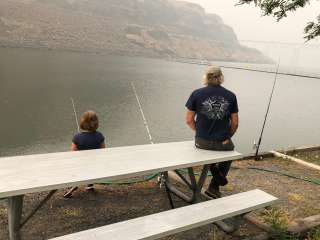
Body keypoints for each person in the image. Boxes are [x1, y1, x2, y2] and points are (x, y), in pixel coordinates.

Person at [185, 65, 239, 199]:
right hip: (222, 143)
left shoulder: (196, 93)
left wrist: (200, 132)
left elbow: (189, 120)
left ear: (206, 78)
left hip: (201, 142)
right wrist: (228, 136)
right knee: (231, 151)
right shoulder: (231, 96)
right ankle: (214, 187)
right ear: (221, 78)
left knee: (217, 149)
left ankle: (212, 166)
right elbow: (235, 123)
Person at [64, 110, 106, 198]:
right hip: (95, 166)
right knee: (91, 164)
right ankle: (89, 185)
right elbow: (103, 150)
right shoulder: (99, 136)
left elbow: (73, 153)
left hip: (81, 167)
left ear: (82, 122)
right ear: (96, 123)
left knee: (77, 164)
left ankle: (74, 185)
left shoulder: (77, 137)